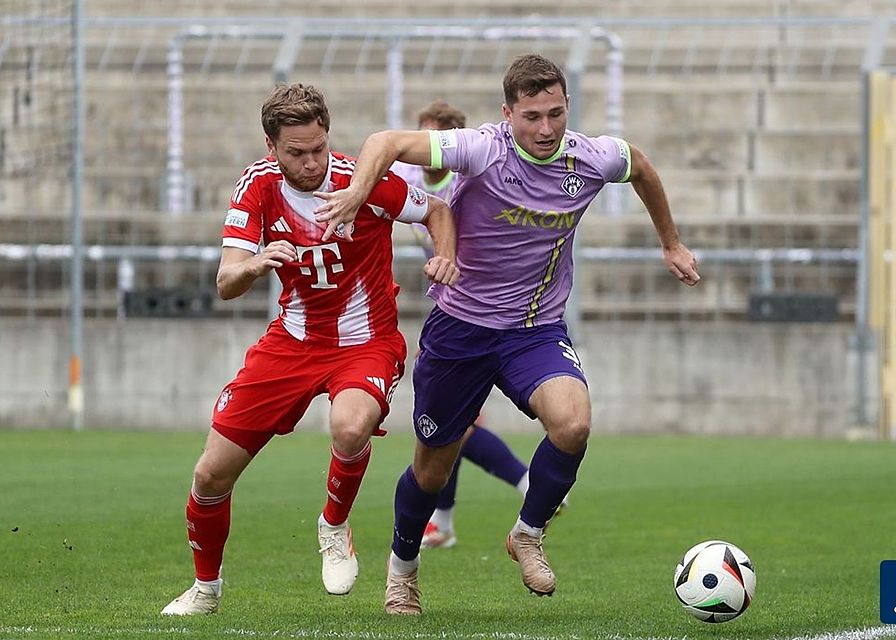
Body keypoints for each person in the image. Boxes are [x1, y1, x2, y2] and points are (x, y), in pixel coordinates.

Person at [315, 54, 700, 615]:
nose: (545, 129)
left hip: (534, 329)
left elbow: (639, 164)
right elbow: (384, 142)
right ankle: (402, 571)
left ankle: (528, 533)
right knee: (432, 467)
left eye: (556, 114)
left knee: (573, 422)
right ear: (507, 113)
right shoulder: (481, 148)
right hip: (460, 332)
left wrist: (670, 241)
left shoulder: (589, 157)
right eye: (532, 117)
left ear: (567, 108)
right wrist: (355, 193)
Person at [160, 83, 459, 616]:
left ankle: (334, 524)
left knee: (349, 425)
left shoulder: (357, 181)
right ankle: (206, 589)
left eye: (318, 148)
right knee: (210, 474)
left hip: (366, 342)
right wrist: (253, 264)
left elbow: (436, 209)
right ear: (271, 147)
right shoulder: (257, 187)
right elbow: (226, 281)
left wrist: (445, 256)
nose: (310, 162)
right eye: (296, 152)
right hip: (292, 343)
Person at [393, 100, 539, 550]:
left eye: (432, 139)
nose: (423, 149)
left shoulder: (468, 178)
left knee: (456, 428)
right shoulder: (410, 180)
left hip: (488, 314)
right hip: (450, 308)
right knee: (451, 428)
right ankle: (448, 520)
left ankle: (527, 483)